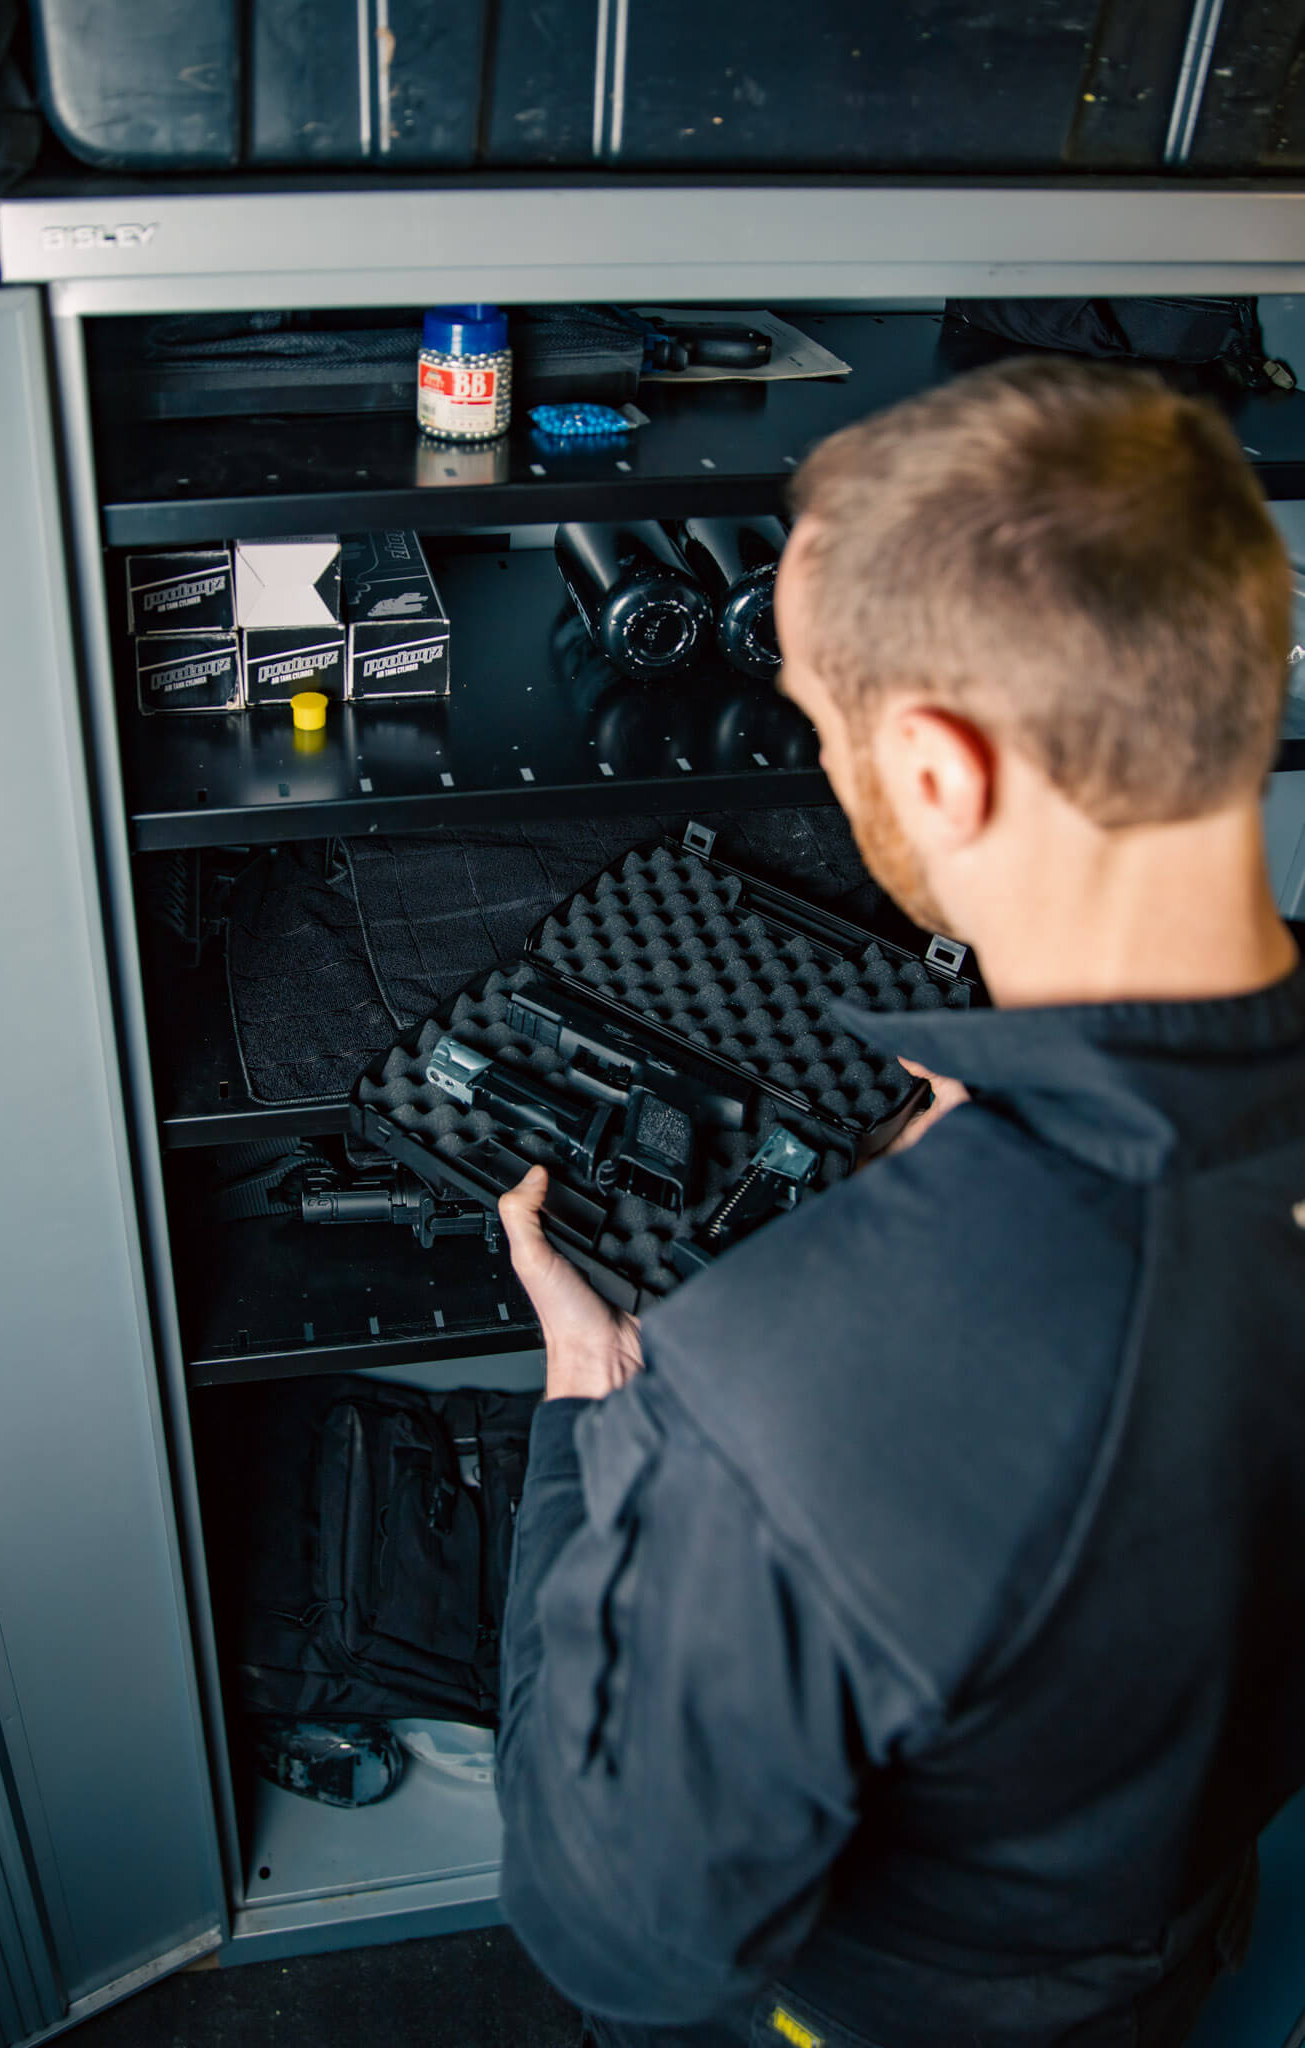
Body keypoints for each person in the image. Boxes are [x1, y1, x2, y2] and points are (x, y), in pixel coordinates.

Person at [493, 357, 1305, 2048]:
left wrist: (590, 1428)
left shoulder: (782, 1403)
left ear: (934, 769)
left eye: (813, 710)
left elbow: (626, 1943)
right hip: (1171, 1915)